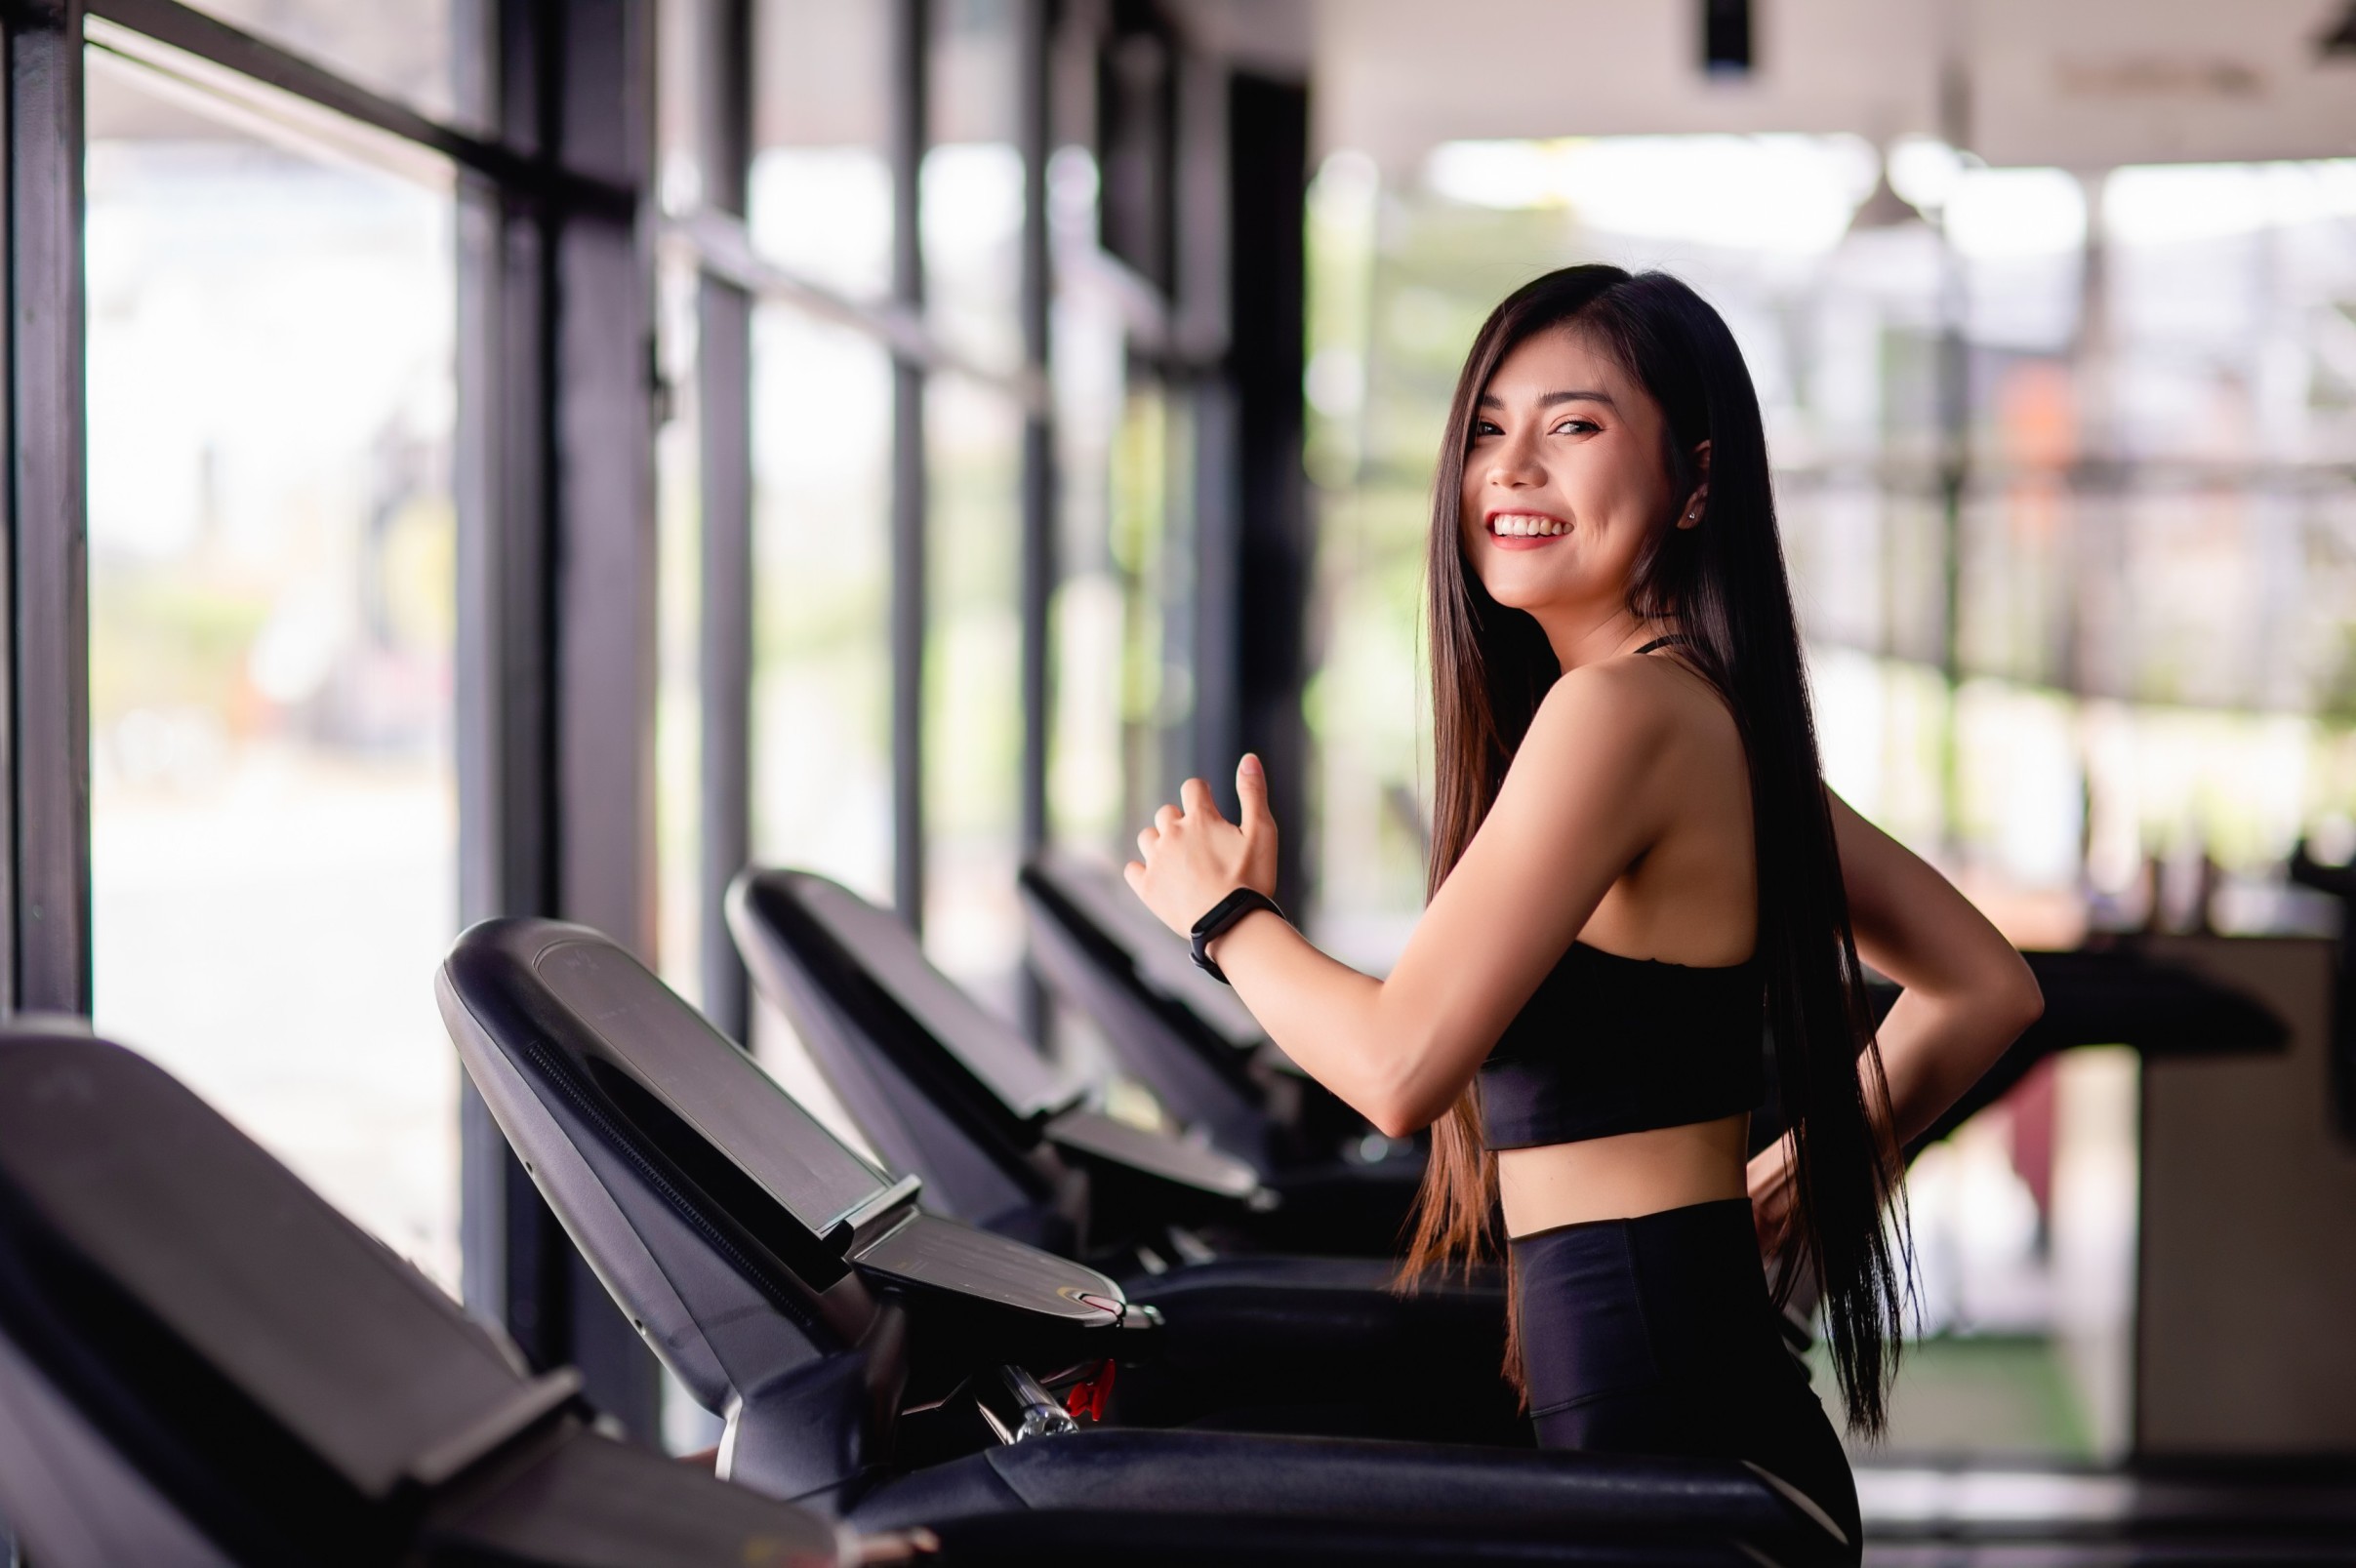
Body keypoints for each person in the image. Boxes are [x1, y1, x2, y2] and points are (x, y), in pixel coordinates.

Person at [1123, 264, 2044, 1558]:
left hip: (1659, 1409)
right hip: (1677, 1388)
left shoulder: (1617, 715)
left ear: (1697, 479)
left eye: (1574, 427)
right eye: (1488, 431)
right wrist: (1794, 1169)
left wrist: (1224, 921)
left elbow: (1395, 1069)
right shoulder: (1696, 710)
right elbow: (1985, 984)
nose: (1512, 470)